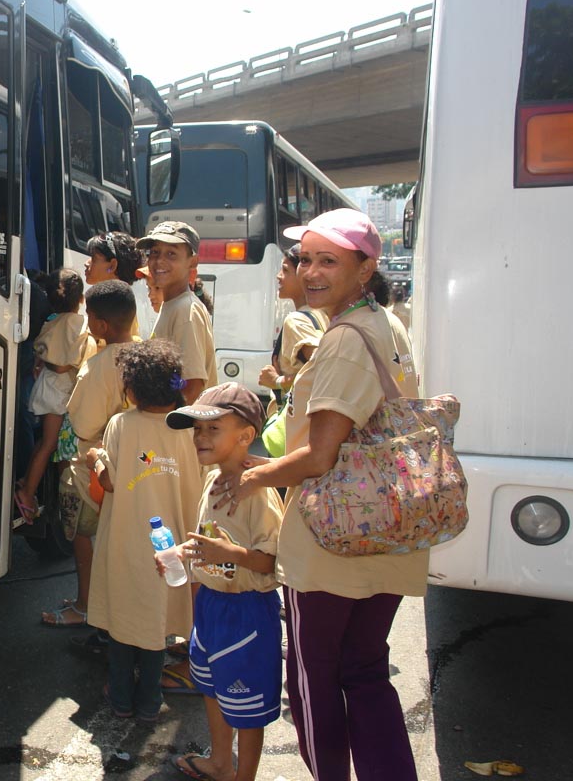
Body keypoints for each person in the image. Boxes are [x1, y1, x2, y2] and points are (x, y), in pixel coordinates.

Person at [215, 208, 424, 781]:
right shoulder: (385, 323)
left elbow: (319, 456)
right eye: (305, 258)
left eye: (328, 260)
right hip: (387, 524)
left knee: (313, 680)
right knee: (364, 672)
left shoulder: (344, 341)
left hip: (333, 539)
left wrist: (251, 475)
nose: (310, 271)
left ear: (365, 268)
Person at [162, 383, 284, 781]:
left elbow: (271, 562)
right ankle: (219, 762)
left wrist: (229, 555)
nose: (200, 437)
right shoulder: (213, 480)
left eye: (213, 429)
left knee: (246, 706)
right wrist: (181, 553)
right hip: (212, 605)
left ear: (246, 436)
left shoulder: (259, 491)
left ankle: (242, 776)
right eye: (197, 429)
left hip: (247, 612)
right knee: (211, 686)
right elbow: (208, 539)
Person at [85, 339, 201, 723]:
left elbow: (112, 482)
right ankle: (149, 702)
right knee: (154, 623)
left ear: (131, 387)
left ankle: (120, 698)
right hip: (171, 545)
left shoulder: (122, 424)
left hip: (126, 539)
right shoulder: (188, 428)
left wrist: (95, 459)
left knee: (122, 620)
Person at [40, 280, 139, 628]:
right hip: (133, 465)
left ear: (99, 325)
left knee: (85, 537)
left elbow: (83, 426)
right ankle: (100, 602)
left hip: (93, 468)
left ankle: (85, 607)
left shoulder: (97, 368)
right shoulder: (141, 352)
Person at [15, 268, 94, 524]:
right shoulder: (77, 324)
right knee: (50, 444)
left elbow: (43, 353)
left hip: (48, 387)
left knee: (44, 443)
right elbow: (62, 365)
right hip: (59, 390)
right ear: (81, 299)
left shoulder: (51, 319)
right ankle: (26, 493)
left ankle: (27, 480)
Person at [138, 221, 217, 404]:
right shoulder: (172, 305)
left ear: (193, 261)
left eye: (171, 254)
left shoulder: (186, 311)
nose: (159, 261)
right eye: (154, 252)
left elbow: (192, 387)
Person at [258, 244, 325, 437]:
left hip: (296, 429)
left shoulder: (296, 320)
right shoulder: (323, 314)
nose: (279, 276)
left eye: (285, 270)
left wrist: (277, 381)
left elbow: (322, 369)